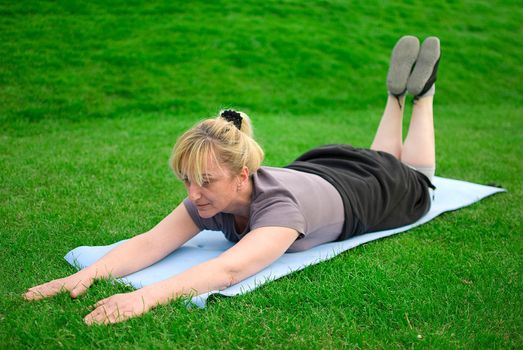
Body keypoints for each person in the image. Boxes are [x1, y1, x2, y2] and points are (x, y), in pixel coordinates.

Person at [24, 35, 441, 325]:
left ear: (243, 174)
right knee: (380, 157)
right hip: (326, 166)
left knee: (415, 176)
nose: (193, 193)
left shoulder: (279, 212)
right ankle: (395, 95)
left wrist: (141, 298)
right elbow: (152, 242)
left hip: (376, 190)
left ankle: (420, 97)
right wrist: (85, 276)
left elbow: (227, 270)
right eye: (186, 180)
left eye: (204, 181)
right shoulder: (211, 195)